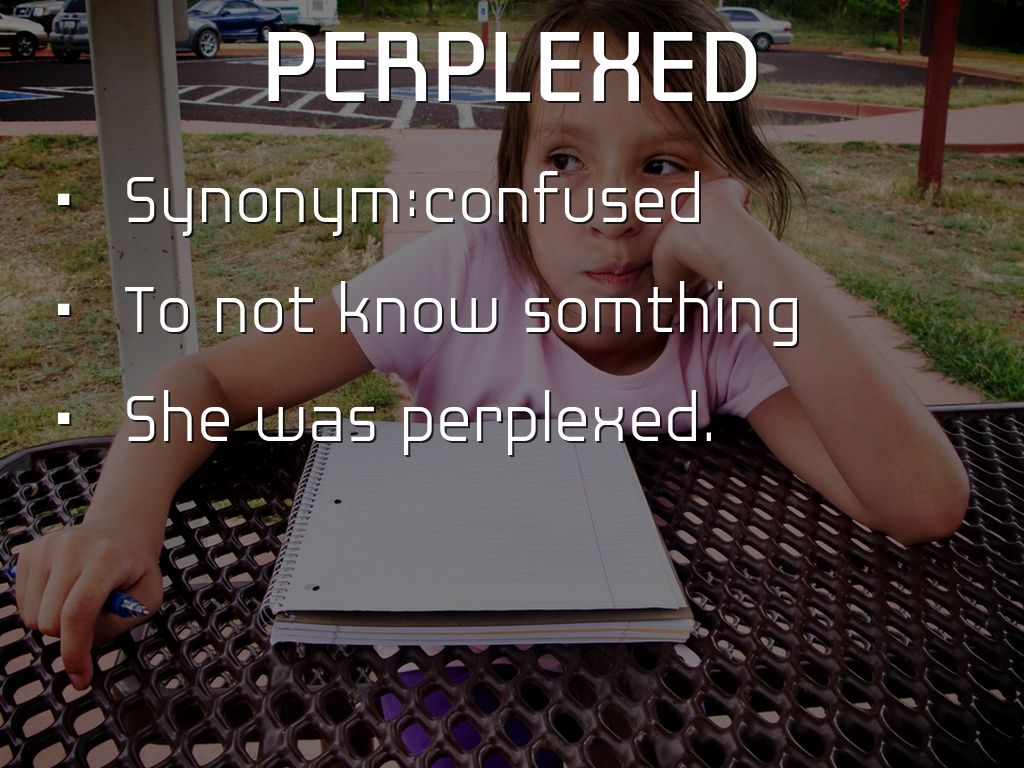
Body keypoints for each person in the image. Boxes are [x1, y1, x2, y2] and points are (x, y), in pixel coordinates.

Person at [11, 0, 968, 691]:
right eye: (565, 161)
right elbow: (205, 380)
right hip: (441, 668)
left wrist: (747, 256)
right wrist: (118, 523)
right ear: (515, 183)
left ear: (728, 191)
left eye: (663, 166)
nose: (608, 213)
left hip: (640, 671)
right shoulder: (461, 278)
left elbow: (920, 502)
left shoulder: (726, 321)